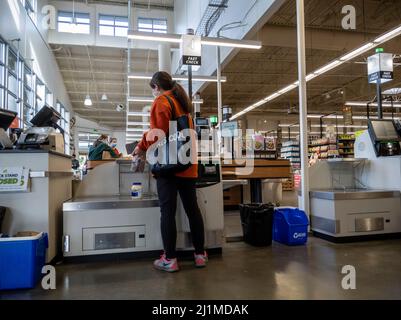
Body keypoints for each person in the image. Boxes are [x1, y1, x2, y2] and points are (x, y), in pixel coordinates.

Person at [133, 71, 206, 273]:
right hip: (187, 166)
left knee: (168, 213)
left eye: (153, 90)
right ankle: (200, 254)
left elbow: (157, 135)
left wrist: (140, 147)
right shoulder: (184, 105)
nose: (153, 94)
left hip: (169, 168)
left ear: (156, 87)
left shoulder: (161, 102)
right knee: (193, 210)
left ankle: (170, 259)